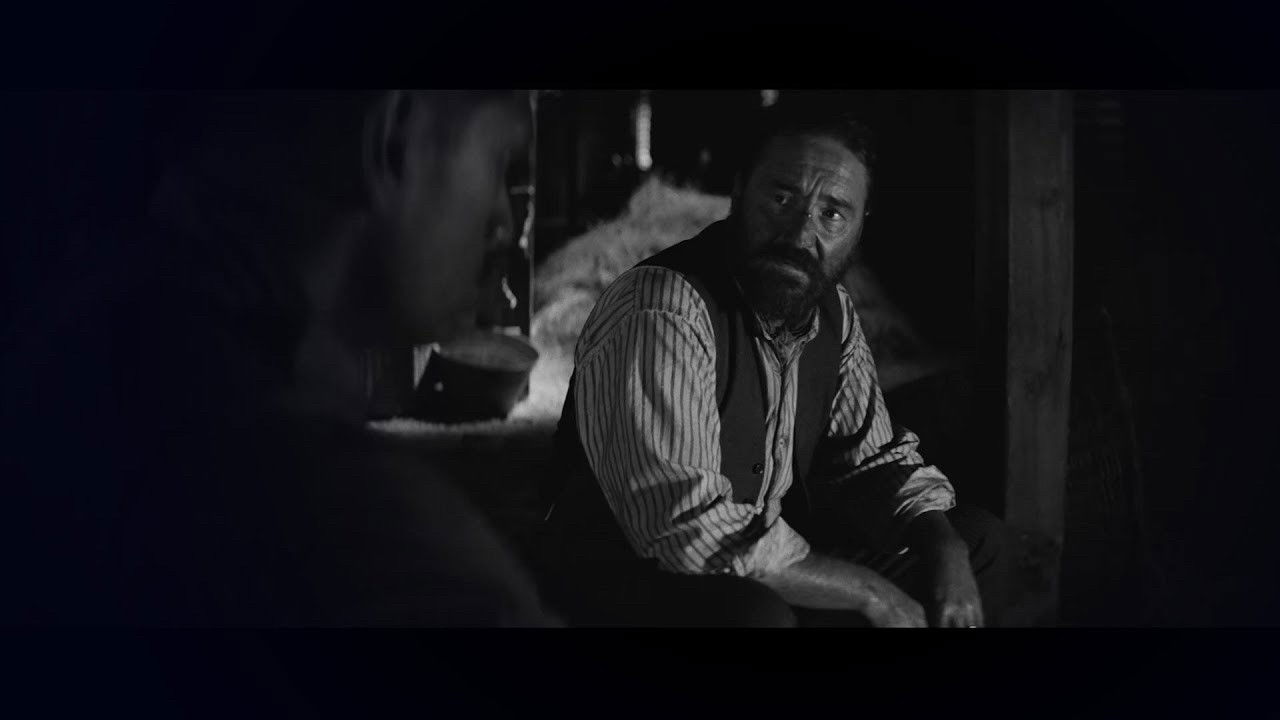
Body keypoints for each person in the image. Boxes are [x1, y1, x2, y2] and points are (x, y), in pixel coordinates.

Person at [0, 90, 559, 625]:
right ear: (395, 141)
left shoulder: (64, 359)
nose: (505, 222)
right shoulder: (395, 561)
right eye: (500, 162)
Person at [540, 103, 1007, 627]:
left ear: (859, 227)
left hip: (760, 567)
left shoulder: (832, 314)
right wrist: (871, 594)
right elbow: (686, 527)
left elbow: (872, 461)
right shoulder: (663, 309)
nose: (800, 234)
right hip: (632, 579)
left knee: (976, 542)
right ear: (739, 192)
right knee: (756, 614)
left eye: (832, 214)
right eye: (781, 198)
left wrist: (945, 547)